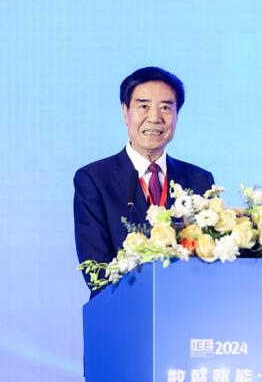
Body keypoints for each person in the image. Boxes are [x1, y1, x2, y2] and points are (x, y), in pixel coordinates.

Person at [73, 66, 215, 298]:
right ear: (125, 112)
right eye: (143, 106)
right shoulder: (94, 179)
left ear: (177, 115)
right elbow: (97, 271)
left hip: (189, 308)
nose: (155, 118)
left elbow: (210, 261)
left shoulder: (199, 179)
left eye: (166, 107)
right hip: (122, 310)